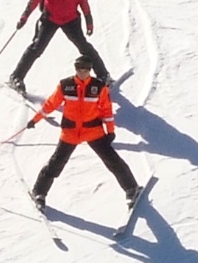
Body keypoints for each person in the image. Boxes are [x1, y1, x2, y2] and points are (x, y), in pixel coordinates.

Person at [25, 55, 140, 210]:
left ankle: (131, 189)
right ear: (76, 69)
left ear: (90, 70)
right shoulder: (66, 85)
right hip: (70, 132)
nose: (83, 72)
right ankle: (39, 192)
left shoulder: (99, 87)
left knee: (112, 160)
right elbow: (51, 104)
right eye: (80, 69)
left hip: (93, 131)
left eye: (86, 69)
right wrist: (35, 119)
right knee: (56, 162)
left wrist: (110, 131)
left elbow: (106, 111)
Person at [8, 0, 113, 94]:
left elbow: (83, 0)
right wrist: (24, 17)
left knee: (85, 48)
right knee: (36, 48)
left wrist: (89, 20)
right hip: (50, 19)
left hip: (71, 20)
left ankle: (104, 76)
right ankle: (16, 77)